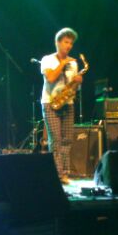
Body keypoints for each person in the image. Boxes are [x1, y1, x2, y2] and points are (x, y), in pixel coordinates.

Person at [41, 27, 83, 184]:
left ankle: (65, 173)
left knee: (67, 140)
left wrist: (77, 82)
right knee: (55, 141)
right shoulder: (47, 59)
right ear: (57, 42)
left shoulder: (74, 64)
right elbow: (51, 78)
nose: (69, 46)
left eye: (71, 43)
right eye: (66, 42)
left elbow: (73, 89)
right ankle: (57, 174)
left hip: (67, 103)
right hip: (50, 103)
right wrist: (63, 63)